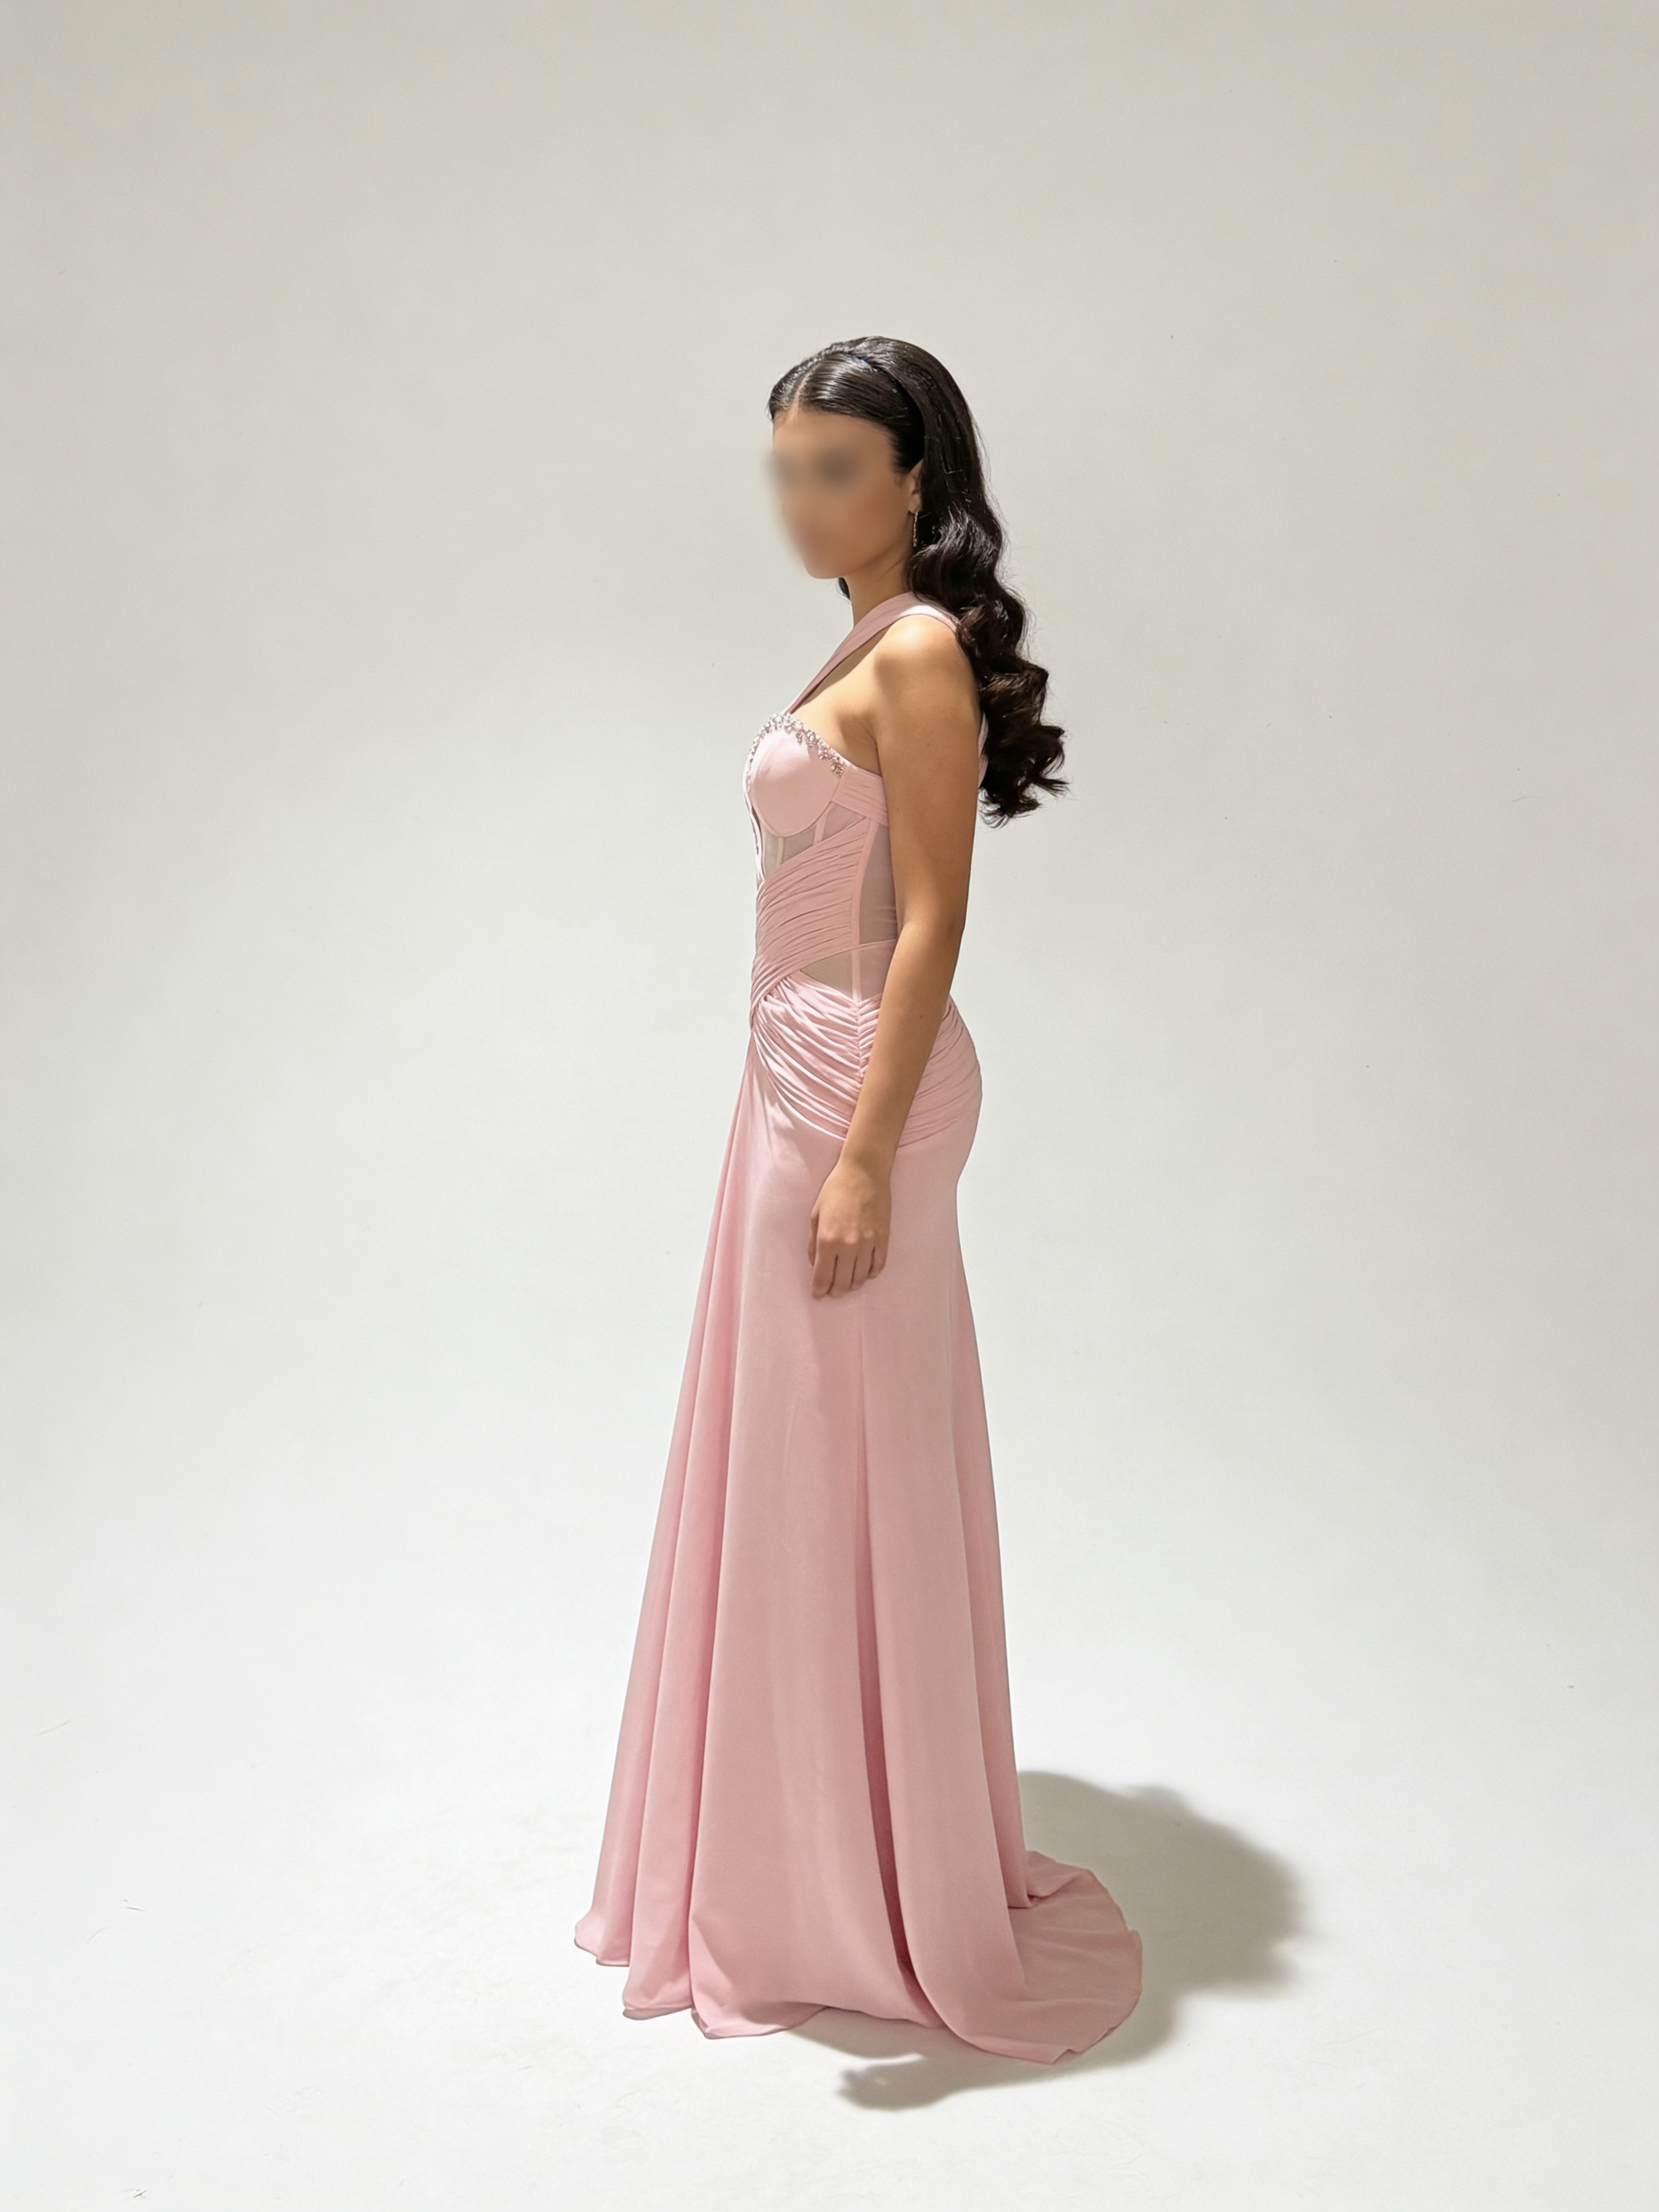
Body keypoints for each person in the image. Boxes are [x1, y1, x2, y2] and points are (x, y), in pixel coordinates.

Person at [573, 338, 1142, 2064]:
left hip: (855, 1094)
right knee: (796, 1453)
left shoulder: (913, 651)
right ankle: (806, 1854)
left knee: (834, 1456)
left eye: (833, 469)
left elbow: (933, 921)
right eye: (783, 470)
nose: (799, 501)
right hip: (798, 1072)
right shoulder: (864, 635)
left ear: (914, 479)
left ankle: (847, 1881)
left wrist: (864, 1156)